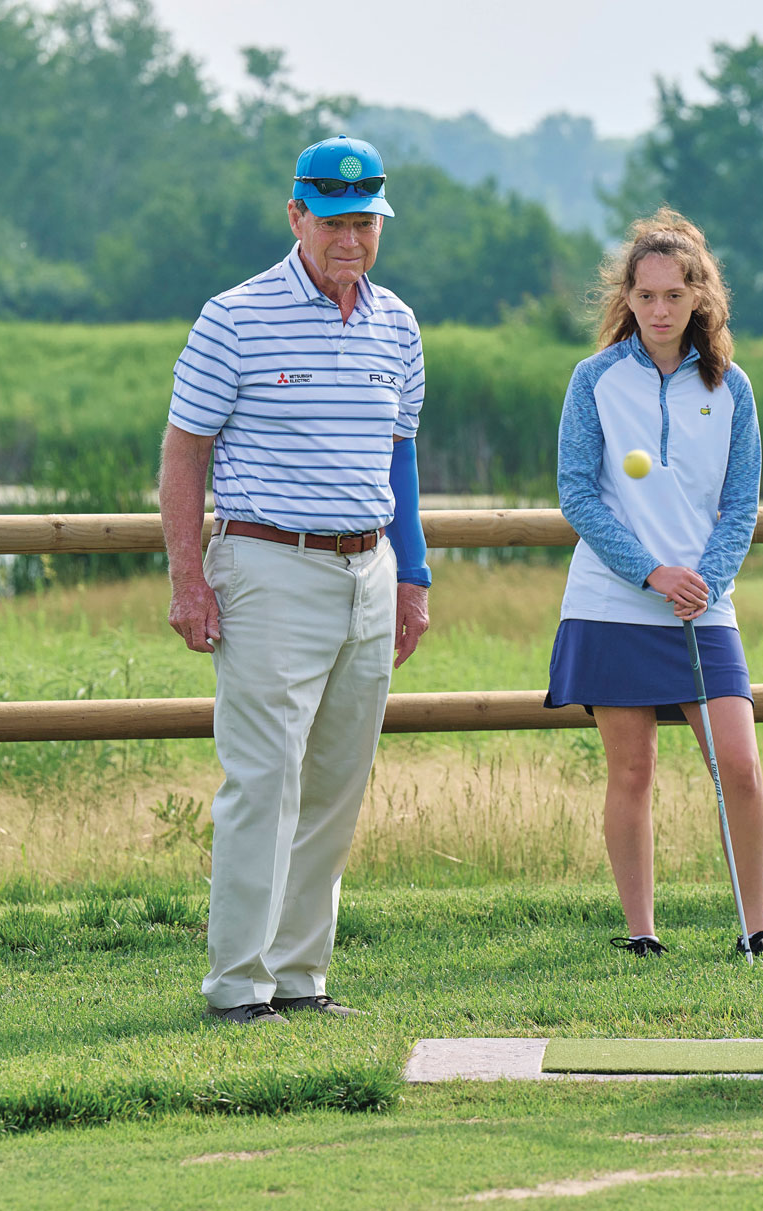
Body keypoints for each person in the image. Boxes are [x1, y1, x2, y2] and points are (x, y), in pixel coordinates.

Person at [160, 136, 431, 1025]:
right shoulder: (233, 317)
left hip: (368, 568)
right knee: (265, 779)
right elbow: (183, 453)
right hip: (267, 565)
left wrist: (412, 576)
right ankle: (238, 985)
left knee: (336, 782)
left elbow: (402, 460)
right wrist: (188, 579)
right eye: (333, 220)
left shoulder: (397, 323)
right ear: (296, 216)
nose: (350, 238)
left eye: (365, 222)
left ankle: (302, 975)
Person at [545, 209, 763, 962]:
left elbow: (741, 503)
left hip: (704, 607)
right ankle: (641, 932)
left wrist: (706, 581)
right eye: (645, 295)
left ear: (700, 298)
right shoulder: (594, 380)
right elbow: (578, 494)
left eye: (674, 295)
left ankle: (755, 929)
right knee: (632, 771)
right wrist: (651, 571)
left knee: (741, 766)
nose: (659, 310)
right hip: (613, 601)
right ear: (627, 296)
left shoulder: (733, 388)